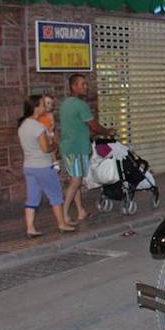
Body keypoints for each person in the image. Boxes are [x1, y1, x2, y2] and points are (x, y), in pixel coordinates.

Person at [19, 95, 77, 237]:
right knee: (55, 195)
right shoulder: (38, 127)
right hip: (43, 166)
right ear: (36, 107)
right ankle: (62, 223)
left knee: (32, 198)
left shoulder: (23, 125)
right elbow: (46, 148)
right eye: (42, 105)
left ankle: (30, 228)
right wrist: (55, 144)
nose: (45, 107)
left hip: (28, 166)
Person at [59, 74, 114, 225]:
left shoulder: (65, 104)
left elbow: (77, 127)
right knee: (76, 181)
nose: (86, 87)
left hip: (67, 147)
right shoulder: (80, 105)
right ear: (73, 87)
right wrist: (107, 131)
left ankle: (80, 211)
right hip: (76, 149)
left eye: (86, 84)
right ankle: (63, 215)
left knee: (74, 180)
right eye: (82, 84)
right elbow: (93, 125)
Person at [36, 93, 61, 172]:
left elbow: (52, 125)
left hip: (48, 134)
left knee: (51, 148)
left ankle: (55, 163)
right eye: (47, 103)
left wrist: (50, 129)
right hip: (40, 135)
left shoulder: (50, 115)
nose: (49, 105)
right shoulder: (38, 115)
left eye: (51, 104)